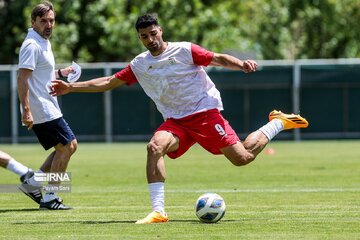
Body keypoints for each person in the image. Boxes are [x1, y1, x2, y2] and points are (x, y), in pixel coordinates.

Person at [50, 14, 309, 222]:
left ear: (160, 31)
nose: (150, 39)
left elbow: (216, 58)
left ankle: (277, 121)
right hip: (176, 121)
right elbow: (108, 81)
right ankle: (159, 212)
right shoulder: (140, 64)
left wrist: (241, 64)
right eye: (144, 36)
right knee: (154, 147)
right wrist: (71, 87)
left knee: (242, 158)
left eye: (153, 34)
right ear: (139, 38)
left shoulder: (184, 50)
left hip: (205, 113)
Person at [17, 1, 77, 210]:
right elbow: (22, 79)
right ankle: (50, 196)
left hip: (47, 104)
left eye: (51, 20)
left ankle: (32, 184)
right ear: (33, 22)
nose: (49, 25)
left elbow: (39, 76)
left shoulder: (43, 41)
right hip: (39, 107)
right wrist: (26, 110)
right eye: (43, 21)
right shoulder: (31, 45)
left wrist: (62, 73)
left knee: (66, 146)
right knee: (67, 146)